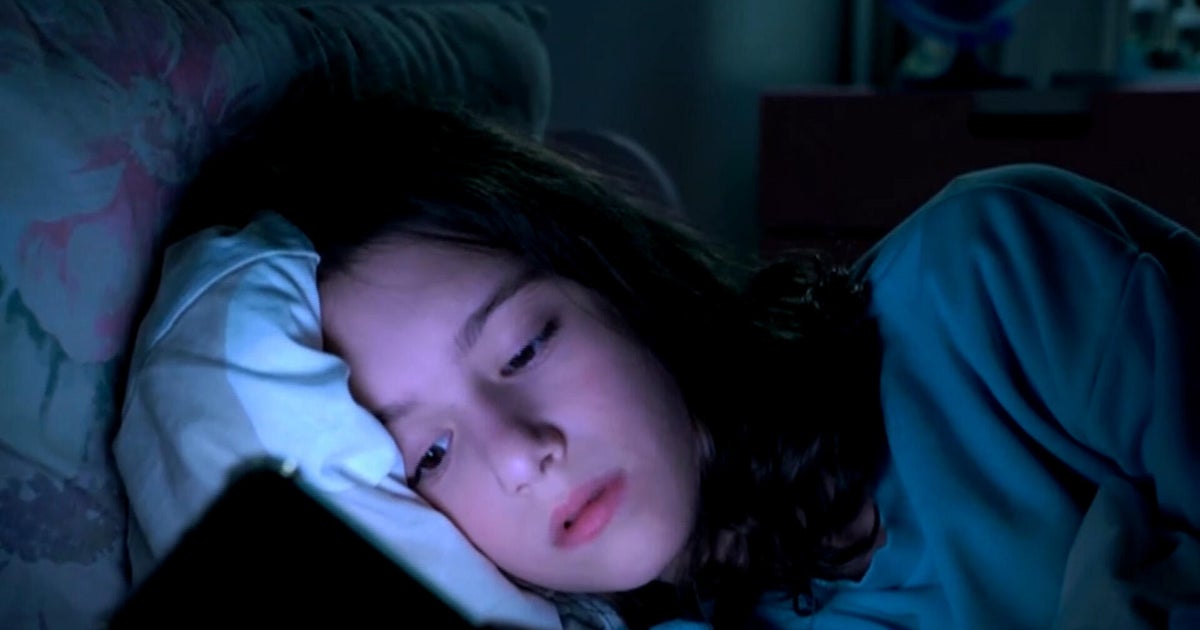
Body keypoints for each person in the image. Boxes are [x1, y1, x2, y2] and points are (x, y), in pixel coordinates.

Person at [178, 90, 1200, 630]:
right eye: (430, 457)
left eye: (525, 345)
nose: (523, 453)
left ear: (616, 282)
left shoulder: (988, 281)